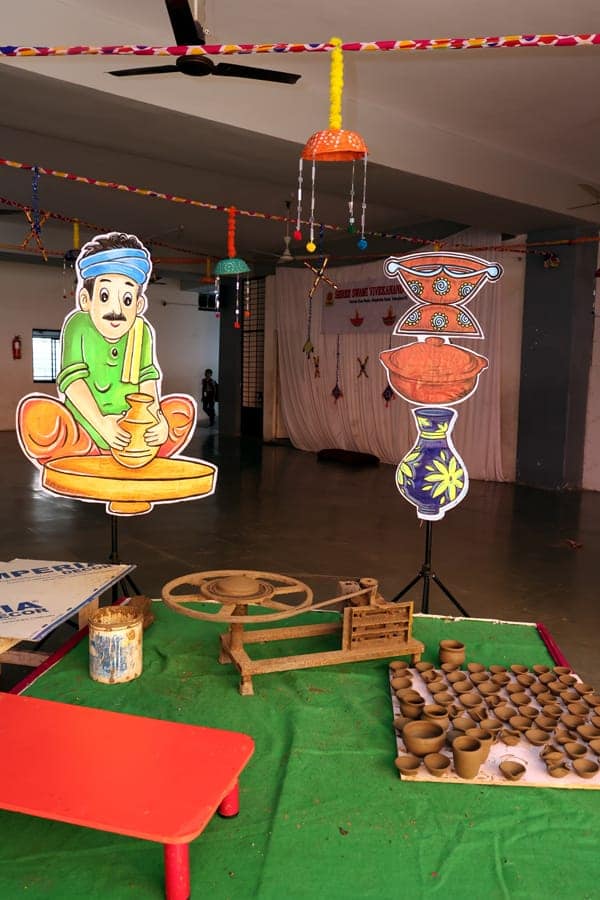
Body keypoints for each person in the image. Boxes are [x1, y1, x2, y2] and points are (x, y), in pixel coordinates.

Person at [18, 232, 195, 465]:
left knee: (181, 412)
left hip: (132, 429)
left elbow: (147, 381)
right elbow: (72, 382)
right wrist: (102, 425)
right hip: (85, 427)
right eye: (104, 296)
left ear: (139, 304)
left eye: (127, 300)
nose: (117, 311)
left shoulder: (140, 331)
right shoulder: (78, 325)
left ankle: (137, 452)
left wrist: (157, 419)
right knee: (36, 415)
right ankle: (88, 450)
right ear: (86, 299)